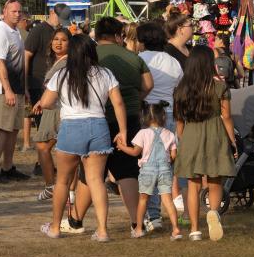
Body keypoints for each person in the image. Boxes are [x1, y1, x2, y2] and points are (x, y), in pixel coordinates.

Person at [34, 35, 126, 241]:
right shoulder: (105, 74)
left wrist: (59, 104)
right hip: (98, 126)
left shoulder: (62, 74)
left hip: (71, 127)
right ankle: (102, 230)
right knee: (96, 181)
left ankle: (56, 227)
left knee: (63, 181)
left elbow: (46, 102)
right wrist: (123, 130)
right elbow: (118, 103)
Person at [71, 17, 153, 235]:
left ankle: (75, 219)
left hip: (98, 117)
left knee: (91, 172)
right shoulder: (133, 57)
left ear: (97, 36)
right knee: (127, 170)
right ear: (118, 36)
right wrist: (136, 98)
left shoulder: (93, 56)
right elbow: (148, 84)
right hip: (130, 117)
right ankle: (137, 223)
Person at [173, 45, 238, 241]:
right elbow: (226, 116)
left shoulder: (181, 89)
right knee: (215, 181)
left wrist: (184, 140)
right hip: (215, 134)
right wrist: (232, 141)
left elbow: (179, 122)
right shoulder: (220, 87)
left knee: (193, 185)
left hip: (190, 135)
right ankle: (214, 212)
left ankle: (194, 230)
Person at [137, 21, 184, 228]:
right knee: (166, 164)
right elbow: (178, 87)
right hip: (169, 114)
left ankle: (153, 214)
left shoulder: (140, 59)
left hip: (148, 114)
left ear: (142, 40)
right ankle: (167, 208)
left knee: (149, 165)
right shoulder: (173, 61)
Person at [115, 102, 182, 240]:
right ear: (163, 117)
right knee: (168, 200)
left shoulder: (143, 133)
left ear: (144, 118)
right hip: (165, 170)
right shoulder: (169, 134)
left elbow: (135, 152)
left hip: (148, 172)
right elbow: (174, 155)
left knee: (143, 200)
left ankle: (139, 229)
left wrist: (122, 147)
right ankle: (176, 229)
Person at [0, 0, 31, 183]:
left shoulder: (16, 33)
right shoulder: (0, 32)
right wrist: (8, 90)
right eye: (13, 11)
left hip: (17, 88)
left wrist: (24, 88)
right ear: (4, 11)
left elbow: (20, 63)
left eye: (19, 11)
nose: (17, 14)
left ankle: (8, 167)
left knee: (13, 130)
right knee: (3, 130)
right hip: (5, 90)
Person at [23, 4, 72, 150]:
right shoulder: (38, 31)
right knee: (42, 124)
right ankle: (41, 161)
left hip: (56, 85)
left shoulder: (59, 32)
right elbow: (26, 56)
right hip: (39, 84)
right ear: (51, 12)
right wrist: (25, 84)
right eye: (60, 18)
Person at [35, 28, 69, 201]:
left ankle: (52, 186)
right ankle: (55, 186)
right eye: (56, 39)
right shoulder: (56, 61)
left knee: (44, 146)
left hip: (58, 109)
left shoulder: (65, 62)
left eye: (63, 40)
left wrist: (43, 101)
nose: (58, 43)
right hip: (51, 107)